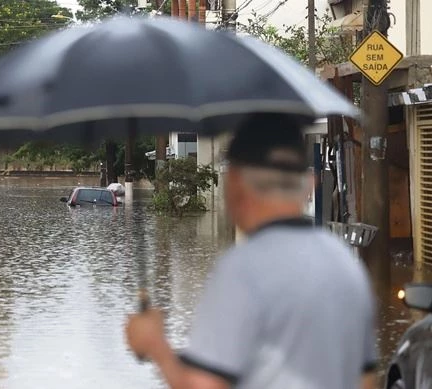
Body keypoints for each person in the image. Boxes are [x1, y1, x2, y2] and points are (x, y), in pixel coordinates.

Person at [126, 114, 378, 389]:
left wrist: (156, 346)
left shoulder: (242, 270)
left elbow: (203, 385)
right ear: (309, 184)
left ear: (233, 185)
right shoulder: (346, 264)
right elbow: (366, 380)